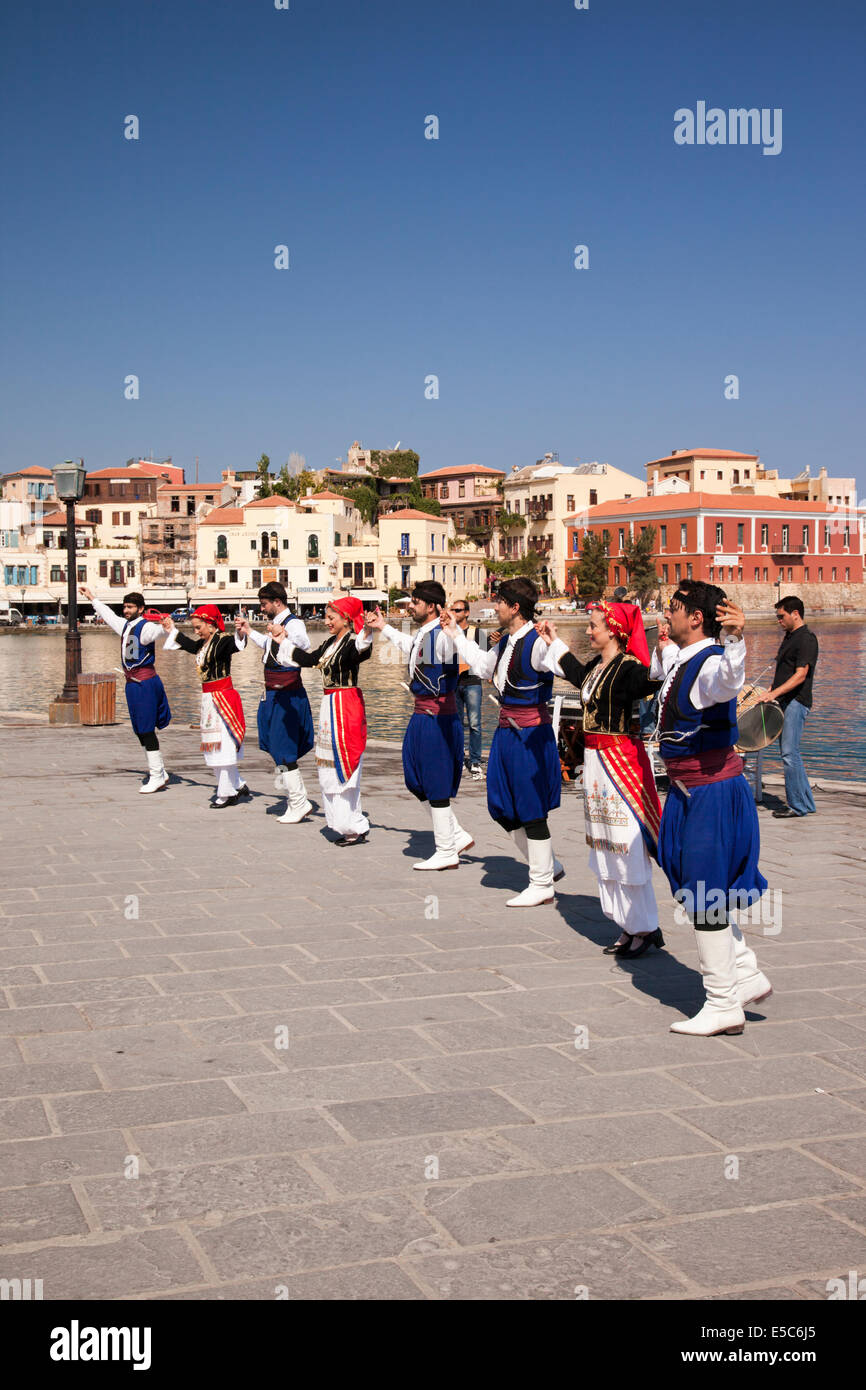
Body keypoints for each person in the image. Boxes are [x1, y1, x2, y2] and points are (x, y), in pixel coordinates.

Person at [650, 580, 771, 1036]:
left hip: (710, 791)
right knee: (695, 885)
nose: (667, 614)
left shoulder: (713, 661)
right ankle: (745, 972)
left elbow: (727, 682)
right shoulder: (685, 659)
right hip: (689, 791)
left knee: (704, 896)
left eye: (674, 608)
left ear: (696, 616)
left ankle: (722, 1004)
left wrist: (736, 640)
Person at [537, 602, 677, 950]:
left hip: (620, 761)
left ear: (613, 629)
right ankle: (629, 923)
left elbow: (654, 681)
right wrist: (554, 641)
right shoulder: (598, 668)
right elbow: (574, 673)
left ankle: (643, 927)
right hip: (597, 763)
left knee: (626, 841)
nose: (588, 631)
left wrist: (665, 649)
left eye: (593, 625)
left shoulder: (628, 669)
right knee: (605, 840)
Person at [440, 578, 564, 907]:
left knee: (531, 808)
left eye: (500, 602)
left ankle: (541, 882)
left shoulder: (536, 642)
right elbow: (481, 666)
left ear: (515, 607)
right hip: (507, 732)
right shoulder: (506, 642)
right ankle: (548, 865)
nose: (495, 607)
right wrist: (454, 632)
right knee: (500, 805)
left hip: (530, 735)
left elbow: (561, 666)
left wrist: (556, 644)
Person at [366, 581, 474, 870]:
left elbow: (455, 648)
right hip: (422, 715)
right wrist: (383, 627)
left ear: (431, 607)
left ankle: (446, 850)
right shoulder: (424, 634)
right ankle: (457, 835)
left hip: (437, 717)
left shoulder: (440, 635)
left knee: (435, 782)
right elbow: (410, 647)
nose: (410, 605)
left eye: (415, 601)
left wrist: (454, 627)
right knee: (415, 779)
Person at [277, 597, 373, 845]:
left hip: (346, 704)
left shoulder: (353, 642)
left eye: (332, 617)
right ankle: (345, 823)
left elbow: (364, 647)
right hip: (330, 705)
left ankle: (352, 824)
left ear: (346, 619)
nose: (327, 621)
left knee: (345, 761)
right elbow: (309, 660)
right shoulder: (331, 643)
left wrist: (369, 627)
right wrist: (282, 641)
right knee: (329, 763)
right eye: (327, 617)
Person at [236, 582, 315, 824]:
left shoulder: (293, 623)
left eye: (264, 604)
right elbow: (269, 646)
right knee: (272, 744)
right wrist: (250, 631)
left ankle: (299, 802)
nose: (261, 609)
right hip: (271, 693)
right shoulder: (275, 627)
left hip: (287, 694)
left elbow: (304, 643)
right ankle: (289, 790)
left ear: (277, 602)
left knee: (284, 747)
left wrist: (285, 633)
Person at [80, 586, 172, 793]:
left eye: (130, 607)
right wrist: (92, 598)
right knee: (139, 729)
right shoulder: (124, 626)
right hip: (132, 684)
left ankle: (157, 775)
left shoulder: (145, 627)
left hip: (146, 683)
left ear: (141, 609)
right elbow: (108, 614)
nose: (126, 610)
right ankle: (160, 771)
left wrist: (164, 627)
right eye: (125, 606)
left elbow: (156, 633)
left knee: (147, 728)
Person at [160, 606, 249, 808]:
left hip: (223, 697)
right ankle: (237, 783)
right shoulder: (204, 643)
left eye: (199, 627)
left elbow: (237, 644)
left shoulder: (223, 640)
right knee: (214, 742)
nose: (197, 631)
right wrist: (171, 629)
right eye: (195, 628)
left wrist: (241, 631)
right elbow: (189, 645)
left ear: (210, 624)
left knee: (222, 744)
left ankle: (227, 792)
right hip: (209, 698)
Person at [760, 596, 819, 819]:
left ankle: (797, 806)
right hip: (783, 700)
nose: (779, 621)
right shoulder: (789, 637)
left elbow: (801, 674)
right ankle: (807, 803)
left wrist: (774, 693)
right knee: (792, 753)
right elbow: (783, 671)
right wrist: (770, 691)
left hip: (797, 701)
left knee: (788, 753)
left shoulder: (807, 639)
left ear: (796, 614)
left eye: (781, 616)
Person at [450, 599, 484, 780]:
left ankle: (476, 761)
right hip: (453, 683)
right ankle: (458, 757)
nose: (454, 613)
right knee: (456, 724)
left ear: (467, 613)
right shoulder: (448, 633)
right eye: (452, 610)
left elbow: (486, 658)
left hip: (472, 682)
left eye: (458, 610)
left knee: (474, 723)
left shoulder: (478, 633)